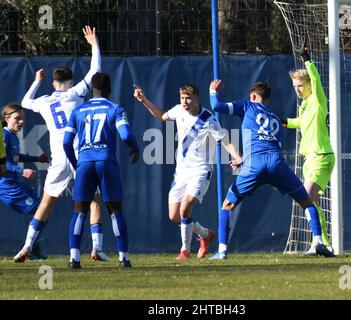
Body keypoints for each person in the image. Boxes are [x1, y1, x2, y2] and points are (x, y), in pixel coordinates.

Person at [209, 79, 335, 259]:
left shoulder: (247, 106)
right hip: (276, 163)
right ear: (267, 99)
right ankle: (319, 242)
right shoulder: (275, 117)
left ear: (253, 95)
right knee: (306, 202)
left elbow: (217, 106)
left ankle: (221, 251)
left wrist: (213, 91)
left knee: (227, 205)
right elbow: (267, 144)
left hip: (255, 164)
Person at [14, 26, 108, 262]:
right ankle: (97, 248)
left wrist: (36, 81)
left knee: (46, 203)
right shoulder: (75, 94)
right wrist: (94, 45)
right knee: (95, 199)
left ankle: (26, 246)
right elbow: (96, 70)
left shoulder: (45, 101)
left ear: (54, 83)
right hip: (80, 155)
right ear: (70, 81)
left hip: (59, 158)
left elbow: (25, 101)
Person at [133, 84, 241, 260]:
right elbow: (161, 116)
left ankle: (184, 251)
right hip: (181, 172)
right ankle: (205, 234)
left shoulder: (209, 120)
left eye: (188, 98)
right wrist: (143, 100)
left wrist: (238, 157)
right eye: (182, 98)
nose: (185, 101)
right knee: (175, 216)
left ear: (196, 98)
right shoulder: (178, 110)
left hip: (200, 170)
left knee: (185, 208)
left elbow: (226, 141)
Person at [63, 72, 139, 269]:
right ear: (109, 89)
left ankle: (75, 259)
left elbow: (66, 142)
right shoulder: (115, 109)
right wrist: (135, 148)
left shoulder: (78, 111)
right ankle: (124, 258)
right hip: (106, 159)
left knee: (79, 211)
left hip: (85, 161)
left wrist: (76, 162)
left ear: (92, 89)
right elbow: (125, 135)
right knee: (115, 210)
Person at [282, 44, 335, 255]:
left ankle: (318, 243)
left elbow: (317, 80)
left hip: (321, 155)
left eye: (300, 85)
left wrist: (307, 60)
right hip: (310, 158)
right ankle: (323, 243)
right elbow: (300, 123)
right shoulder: (304, 105)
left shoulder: (318, 99)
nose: (297, 89)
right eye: (295, 86)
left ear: (309, 84)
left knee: (305, 197)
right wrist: (282, 121)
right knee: (312, 202)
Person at [0, 104, 49, 259]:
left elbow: (14, 157)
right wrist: (22, 170)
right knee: (39, 211)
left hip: (14, 182)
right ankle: (31, 250)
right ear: (6, 119)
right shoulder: (4, 135)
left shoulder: (12, 135)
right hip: (6, 185)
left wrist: (36, 159)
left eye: (23, 119)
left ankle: (32, 248)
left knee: (42, 210)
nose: (21, 122)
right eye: (17, 118)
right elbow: (3, 163)